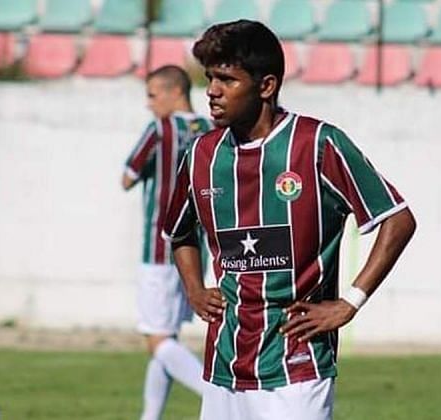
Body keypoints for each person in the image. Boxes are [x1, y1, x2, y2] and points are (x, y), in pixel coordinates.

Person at [161, 20, 416, 420]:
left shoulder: (318, 143)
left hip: (299, 363)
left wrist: (350, 301)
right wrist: (194, 288)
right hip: (224, 362)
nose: (212, 90)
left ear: (266, 86)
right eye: (210, 77)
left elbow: (397, 219)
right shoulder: (201, 156)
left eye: (227, 79)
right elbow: (179, 233)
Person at [122, 65, 213, 420]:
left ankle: (220, 396)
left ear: (175, 92)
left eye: (152, 95)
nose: (149, 104)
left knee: (156, 341)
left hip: (159, 249)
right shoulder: (211, 130)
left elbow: (128, 177)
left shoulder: (159, 130)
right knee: (168, 337)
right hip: (196, 252)